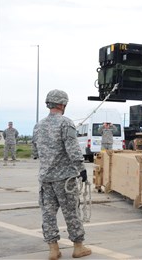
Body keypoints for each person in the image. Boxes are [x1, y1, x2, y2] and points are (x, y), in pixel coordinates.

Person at [32, 89, 92, 260]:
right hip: (65, 178)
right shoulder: (66, 123)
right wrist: (81, 169)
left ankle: (53, 249)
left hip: (45, 178)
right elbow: (73, 150)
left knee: (48, 213)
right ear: (62, 104)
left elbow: (35, 152)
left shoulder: (38, 125)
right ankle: (78, 247)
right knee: (71, 212)